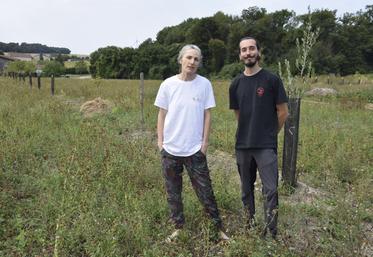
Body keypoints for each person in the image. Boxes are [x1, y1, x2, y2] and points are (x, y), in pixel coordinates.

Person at [154, 44, 229, 242]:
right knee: (173, 192)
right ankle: (179, 228)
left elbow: (207, 114)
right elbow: (161, 114)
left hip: (195, 149)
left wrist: (204, 144)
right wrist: (160, 142)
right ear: (181, 60)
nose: (192, 62)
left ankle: (217, 228)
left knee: (205, 190)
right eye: (189, 58)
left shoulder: (204, 84)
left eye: (196, 59)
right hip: (170, 149)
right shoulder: (168, 85)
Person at [229, 37, 289, 239]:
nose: (248, 52)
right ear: (240, 55)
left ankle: (271, 232)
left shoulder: (272, 80)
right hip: (243, 145)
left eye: (251, 48)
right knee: (246, 190)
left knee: (270, 190)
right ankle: (249, 224)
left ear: (258, 52)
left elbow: (283, 112)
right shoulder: (235, 84)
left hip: (265, 146)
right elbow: (239, 114)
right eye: (244, 50)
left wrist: (271, 133)